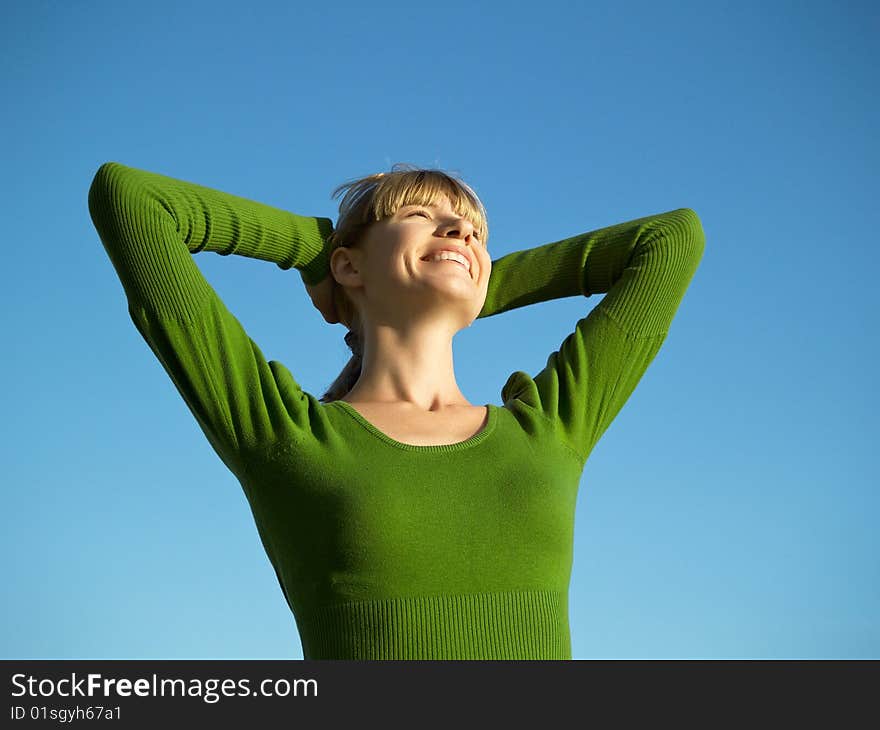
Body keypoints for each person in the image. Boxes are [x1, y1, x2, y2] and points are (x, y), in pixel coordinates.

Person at [87, 160, 705, 659]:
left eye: (474, 232)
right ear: (349, 264)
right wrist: (322, 251)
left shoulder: (549, 426)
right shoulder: (283, 434)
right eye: (420, 215)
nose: (461, 232)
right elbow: (132, 200)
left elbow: (673, 240)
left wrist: (467, 279)